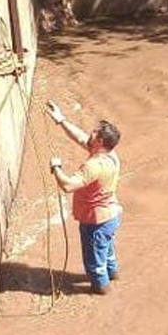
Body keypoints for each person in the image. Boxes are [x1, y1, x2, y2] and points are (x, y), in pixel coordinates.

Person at [46, 102, 124, 295]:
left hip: (95, 223)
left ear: (99, 142)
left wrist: (56, 168)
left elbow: (67, 185)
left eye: (94, 133)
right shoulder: (110, 154)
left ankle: (101, 289)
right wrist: (61, 120)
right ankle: (112, 275)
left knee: (94, 264)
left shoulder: (94, 166)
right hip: (111, 216)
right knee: (106, 254)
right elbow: (81, 138)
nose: (90, 133)